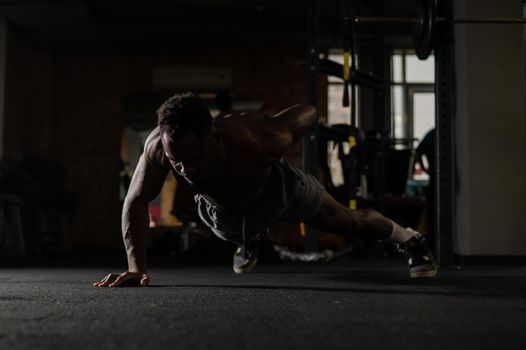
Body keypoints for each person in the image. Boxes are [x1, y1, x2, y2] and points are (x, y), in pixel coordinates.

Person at [93, 93, 437, 288]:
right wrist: (137, 267)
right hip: (224, 213)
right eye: (176, 162)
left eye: (194, 158)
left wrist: (311, 126)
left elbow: (310, 110)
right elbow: (136, 201)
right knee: (230, 228)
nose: (185, 171)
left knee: (350, 222)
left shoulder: (260, 138)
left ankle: (409, 240)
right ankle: (250, 237)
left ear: (214, 138)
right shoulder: (157, 148)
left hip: (280, 189)